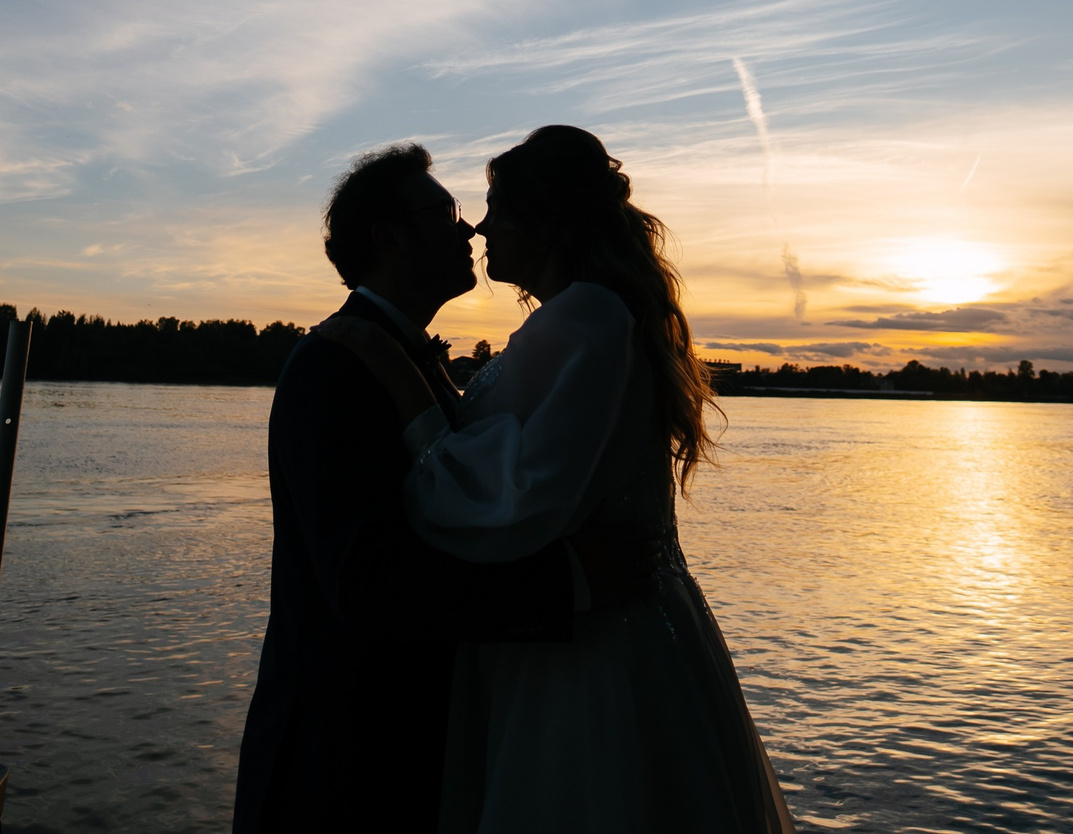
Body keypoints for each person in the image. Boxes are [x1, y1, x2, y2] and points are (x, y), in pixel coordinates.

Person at [401, 125, 793, 834]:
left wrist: (413, 436)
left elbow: (526, 495)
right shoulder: (593, 316)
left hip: (588, 651)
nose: (481, 227)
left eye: (497, 208)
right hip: (627, 626)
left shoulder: (584, 319)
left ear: (547, 222)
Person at [234, 144, 614, 834]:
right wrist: (568, 581)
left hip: (404, 756)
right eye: (444, 214)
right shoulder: (333, 368)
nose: (467, 229)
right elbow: (370, 586)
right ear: (388, 238)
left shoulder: (404, 357)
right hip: (344, 764)